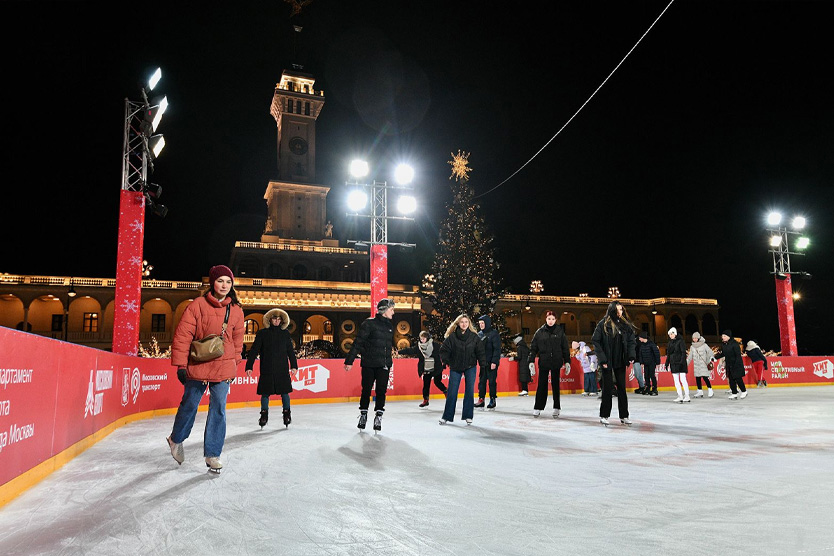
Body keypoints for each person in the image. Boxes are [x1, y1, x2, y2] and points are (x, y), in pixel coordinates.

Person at [167, 265, 244, 474]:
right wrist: (181, 364)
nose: (224, 285)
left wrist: (235, 362)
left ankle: (213, 453)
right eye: (220, 281)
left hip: (224, 365)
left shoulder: (236, 309)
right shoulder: (197, 306)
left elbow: (238, 340)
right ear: (212, 283)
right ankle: (176, 439)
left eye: (228, 282)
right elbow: (183, 336)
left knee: (218, 408)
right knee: (190, 404)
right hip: (199, 362)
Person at [344, 298, 397, 431]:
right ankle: (363, 414)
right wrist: (349, 360)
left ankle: (378, 416)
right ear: (384, 311)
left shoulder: (389, 326)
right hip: (369, 363)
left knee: (381, 391)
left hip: (384, 364)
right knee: (366, 389)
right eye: (391, 309)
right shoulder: (369, 324)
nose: (393, 312)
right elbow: (358, 342)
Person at [245, 307, 298, 428]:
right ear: (270, 320)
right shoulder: (262, 333)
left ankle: (287, 414)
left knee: (285, 393)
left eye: (279, 319)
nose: (277, 321)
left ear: (282, 321)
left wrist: (294, 366)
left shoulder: (285, 334)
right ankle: (264, 415)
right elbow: (254, 350)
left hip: (282, 369)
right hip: (267, 368)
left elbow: (290, 351)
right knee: (265, 393)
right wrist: (249, 366)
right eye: (275, 319)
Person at [591, 301, 636, 426]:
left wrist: (631, 355)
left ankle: (624, 415)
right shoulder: (603, 324)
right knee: (607, 389)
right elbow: (596, 341)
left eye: (621, 310)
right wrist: (603, 359)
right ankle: (604, 415)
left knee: (622, 388)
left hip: (620, 361)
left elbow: (632, 341)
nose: (619, 312)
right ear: (611, 310)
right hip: (607, 362)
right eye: (617, 310)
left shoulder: (625, 325)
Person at [439, 314, 487, 425]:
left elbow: (480, 351)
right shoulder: (452, 337)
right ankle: (447, 416)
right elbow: (444, 350)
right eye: (462, 322)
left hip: (470, 366)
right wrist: (447, 361)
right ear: (458, 324)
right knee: (452, 392)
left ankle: (468, 415)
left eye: (466, 322)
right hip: (456, 367)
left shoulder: (474, 337)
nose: (464, 324)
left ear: (469, 324)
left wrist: (483, 364)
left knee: (469, 391)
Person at [529, 311, 570, 418]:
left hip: (556, 361)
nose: (550, 321)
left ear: (555, 320)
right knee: (542, 385)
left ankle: (557, 407)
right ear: (545, 319)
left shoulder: (559, 331)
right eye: (549, 319)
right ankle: (538, 407)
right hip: (544, 361)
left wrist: (567, 361)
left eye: (552, 319)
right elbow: (533, 348)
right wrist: (531, 361)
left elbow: (565, 348)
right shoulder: (540, 332)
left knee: (555, 385)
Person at [398, 330, 447, 407]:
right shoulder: (419, 347)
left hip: (436, 367)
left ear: (427, 338)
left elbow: (444, 352)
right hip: (426, 368)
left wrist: (445, 362)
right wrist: (399, 352)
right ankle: (426, 400)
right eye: (421, 338)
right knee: (426, 384)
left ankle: (446, 392)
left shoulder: (435, 345)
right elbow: (410, 350)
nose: (422, 340)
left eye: (423, 338)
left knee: (437, 382)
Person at [475, 314, 501, 410]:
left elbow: (497, 349)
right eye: (480, 323)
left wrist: (494, 361)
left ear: (487, 323)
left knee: (491, 382)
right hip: (483, 363)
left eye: (483, 323)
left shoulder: (494, 334)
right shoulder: (479, 334)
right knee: (481, 382)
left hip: (491, 363)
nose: (481, 325)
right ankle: (481, 399)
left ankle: (492, 399)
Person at [715, 330, 747, 400]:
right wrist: (715, 358)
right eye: (722, 336)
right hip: (729, 364)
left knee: (738, 378)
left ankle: (744, 391)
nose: (723, 337)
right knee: (731, 379)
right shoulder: (724, 344)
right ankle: (734, 393)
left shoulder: (734, 344)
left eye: (724, 336)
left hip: (736, 364)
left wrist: (736, 364)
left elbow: (738, 355)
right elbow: (723, 354)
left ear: (728, 337)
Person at [688, 331, 716, 398]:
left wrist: (711, 357)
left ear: (698, 338)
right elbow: (690, 356)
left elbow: (709, 351)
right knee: (697, 378)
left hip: (703, 364)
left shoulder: (704, 345)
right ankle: (699, 391)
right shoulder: (692, 347)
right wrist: (686, 363)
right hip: (696, 365)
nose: (694, 339)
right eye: (693, 338)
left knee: (705, 377)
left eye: (696, 338)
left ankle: (710, 390)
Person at [666, 327, 690, 403]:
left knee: (683, 380)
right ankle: (680, 396)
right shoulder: (670, 343)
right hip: (673, 364)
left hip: (681, 364)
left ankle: (687, 396)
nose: (670, 335)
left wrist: (682, 361)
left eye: (672, 333)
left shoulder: (681, 341)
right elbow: (669, 354)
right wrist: (667, 363)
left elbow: (683, 352)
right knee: (676, 381)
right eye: (669, 334)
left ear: (675, 334)